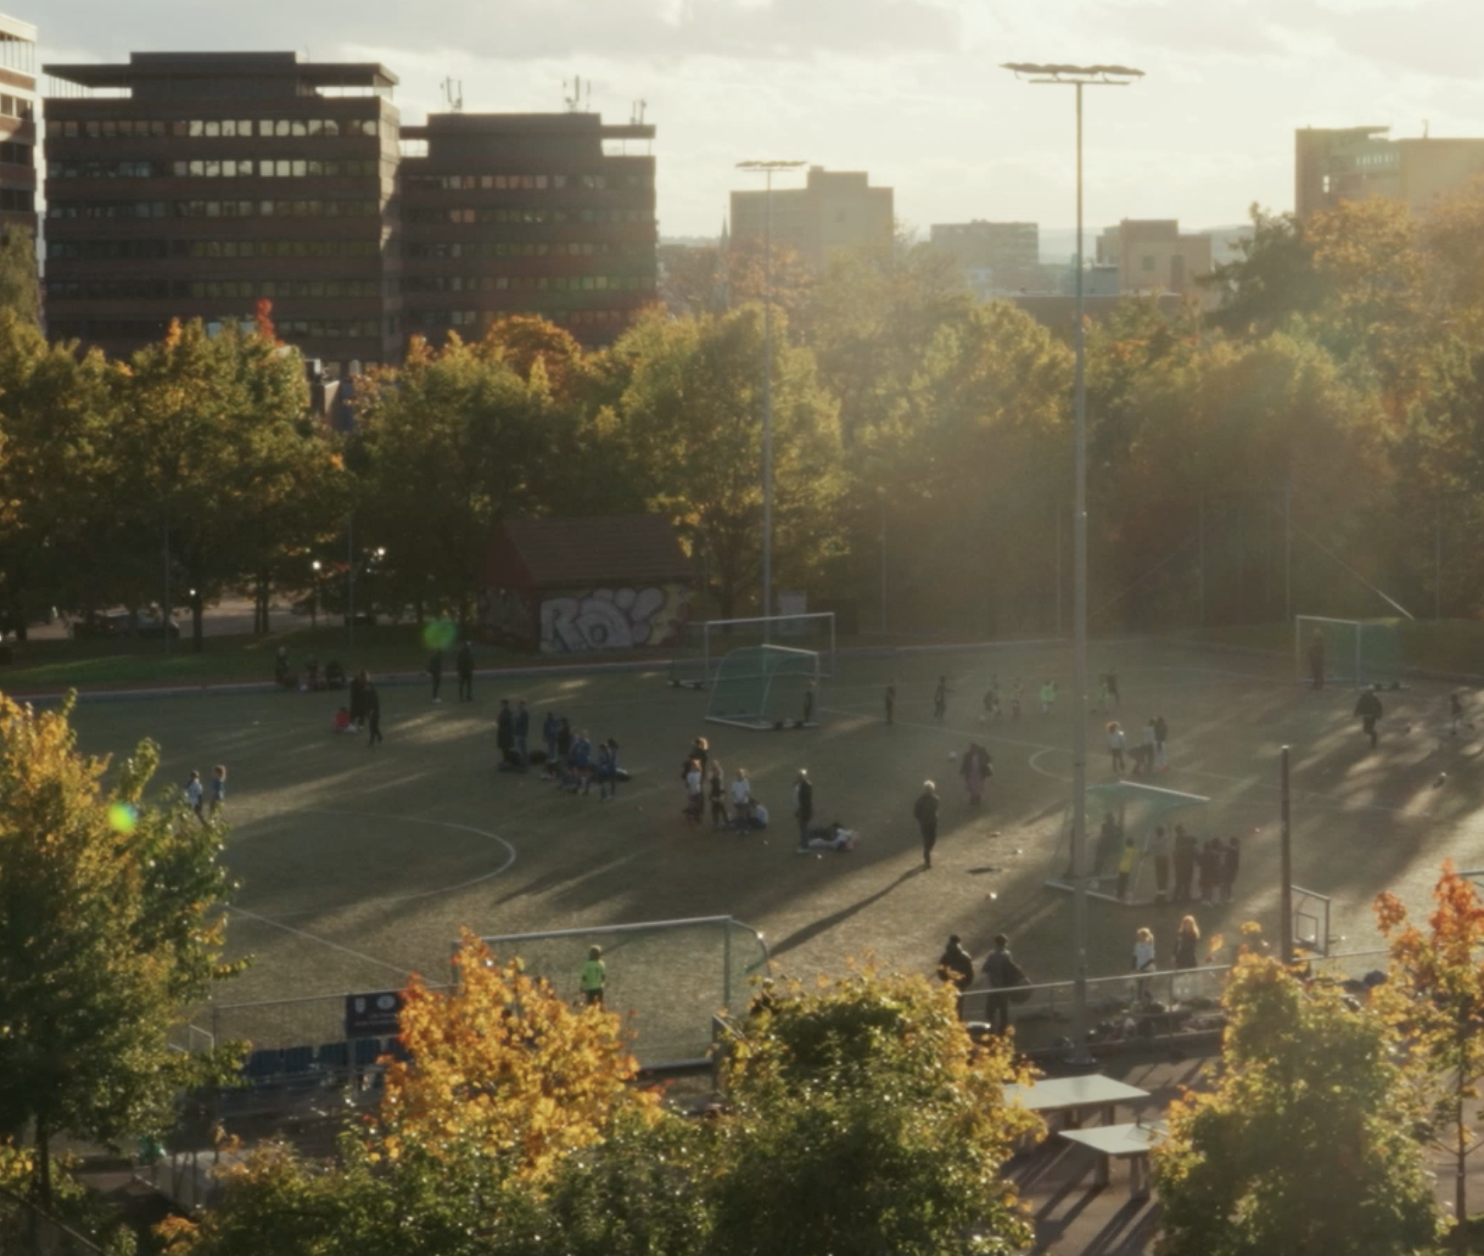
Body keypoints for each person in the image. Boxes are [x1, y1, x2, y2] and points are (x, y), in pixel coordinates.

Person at [981, 934, 1026, 1035]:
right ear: (1004, 943)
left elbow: (984, 969)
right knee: (1003, 1010)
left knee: (990, 1010)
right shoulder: (1007, 954)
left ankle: (991, 1029)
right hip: (1004, 986)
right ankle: (1003, 1030)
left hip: (994, 986)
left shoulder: (992, 955)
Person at [937, 934, 975, 1016]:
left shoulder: (945, 956)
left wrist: (944, 979)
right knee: (959, 1005)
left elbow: (940, 969)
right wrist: (966, 982)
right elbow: (970, 972)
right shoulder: (965, 956)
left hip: (949, 983)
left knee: (948, 1004)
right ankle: (958, 1023)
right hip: (961, 983)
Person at [914, 779, 940, 868]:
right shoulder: (920, 801)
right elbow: (916, 812)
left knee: (933, 839)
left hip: (933, 822)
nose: (929, 791)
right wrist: (921, 819)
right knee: (926, 840)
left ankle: (927, 851)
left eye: (930, 789)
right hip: (925, 823)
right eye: (927, 789)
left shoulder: (935, 799)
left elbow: (936, 809)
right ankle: (927, 860)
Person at [1172, 824, 1197, 904]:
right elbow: (1195, 840)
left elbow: (1176, 851)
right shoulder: (1187, 838)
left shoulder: (1179, 839)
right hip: (1188, 862)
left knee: (1179, 880)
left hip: (1180, 863)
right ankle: (1186, 896)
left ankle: (1178, 896)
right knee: (1187, 880)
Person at [1132, 926, 1156, 1001]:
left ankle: (1149, 1000)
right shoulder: (1137, 945)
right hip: (1139, 969)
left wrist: (1142, 968)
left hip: (1147, 969)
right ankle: (1140, 1001)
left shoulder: (1149, 946)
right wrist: (1134, 967)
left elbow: (1151, 959)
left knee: (1143, 986)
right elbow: (1135, 957)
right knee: (1138, 987)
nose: (1139, 938)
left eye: (1141, 936)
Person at [1197, 838, 1222, 906]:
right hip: (1212, 872)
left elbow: (1199, 863)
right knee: (1210, 886)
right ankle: (1209, 900)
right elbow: (1218, 863)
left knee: (1204, 886)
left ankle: (1204, 900)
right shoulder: (1215, 853)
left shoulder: (1201, 854)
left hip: (1204, 871)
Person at [1151, 825, 1171, 903]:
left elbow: (1151, 848)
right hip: (1164, 859)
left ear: (1157, 833)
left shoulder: (1155, 840)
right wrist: (1169, 828)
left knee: (1159, 876)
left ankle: (1160, 893)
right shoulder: (1165, 838)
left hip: (1158, 859)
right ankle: (1163, 894)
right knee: (1164, 875)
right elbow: (1169, 833)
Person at [793, 769, 813, 848]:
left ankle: (805, 846)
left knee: (804, 828)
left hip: (803, 810)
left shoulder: (806, 786)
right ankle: (803, 843)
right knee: (802, 828)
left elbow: (806, 801)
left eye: (801, 776)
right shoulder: (800, 784)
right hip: (800, 809)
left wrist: (800, 810)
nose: (799, 777)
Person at [1116, 837, 1137, 902]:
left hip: (1121, 867)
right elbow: (1134, 859)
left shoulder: (1125, 850)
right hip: (1127, 869)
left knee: (1120, 881)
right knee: (1124, 882)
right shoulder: (1133, 851)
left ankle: (1118, 894)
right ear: (1133, 844)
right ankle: (1121, 896)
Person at [1220, 836, 1240, 904]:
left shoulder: (1233, 849)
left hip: (1228, 868)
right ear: (1235, 843)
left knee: (1227, 883)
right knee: (1227, 884)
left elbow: (1226, 848)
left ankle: (1224, 897)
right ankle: (1227, 897)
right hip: (1230, 869)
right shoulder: (1233, 849)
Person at [708, 762, 728, 829]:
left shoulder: (721, 771)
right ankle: (715, 822)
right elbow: (710, 780)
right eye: (714, 766)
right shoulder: (710, 773)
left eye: (716, 766)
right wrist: (714, 773)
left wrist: (716, 773)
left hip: (720, 791)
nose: (715, 767)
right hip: (713, 792)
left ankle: (725, 821)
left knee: (722, 807)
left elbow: (719, 779)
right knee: (714, 808)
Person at [683, 758, 703, 824]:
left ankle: (693, 816)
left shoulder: (690, 774)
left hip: (694, 791)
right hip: (695, 791)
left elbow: (687, 784)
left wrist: (687, 785)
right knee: (694, 804)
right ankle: (692, 816)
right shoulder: (697, 773)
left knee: (694, 804)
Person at [496, 698, 515, 763]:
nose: (501, 705)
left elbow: (504, 721)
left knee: (506, 748)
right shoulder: (504, 712)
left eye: (502, 704)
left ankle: (507, 760)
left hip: (506, 733)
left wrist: (499, 719)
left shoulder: (507, 712)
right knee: (504, 748)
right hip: (503, 732)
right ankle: (505, 760)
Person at [366, 680, 383, 747]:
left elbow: (374, 704)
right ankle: (379, 737)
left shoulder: (373, 694)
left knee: (372, 727)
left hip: (374, 713)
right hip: (371, 713)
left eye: (367, 686)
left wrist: (371, 712)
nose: (366, 687)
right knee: (374, 727)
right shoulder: (368, 693)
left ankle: (372, 741)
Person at [514, 699, 531, 765]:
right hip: (519, 732)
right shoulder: (521, 712)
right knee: (521, 747)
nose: (517, 706)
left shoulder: (524, 712)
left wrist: (516, 718)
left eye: (519, 705)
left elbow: (520, 722)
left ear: (522, 705)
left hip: (522, 732)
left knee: (522, 747)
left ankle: (526, 761)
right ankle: (524, 760)